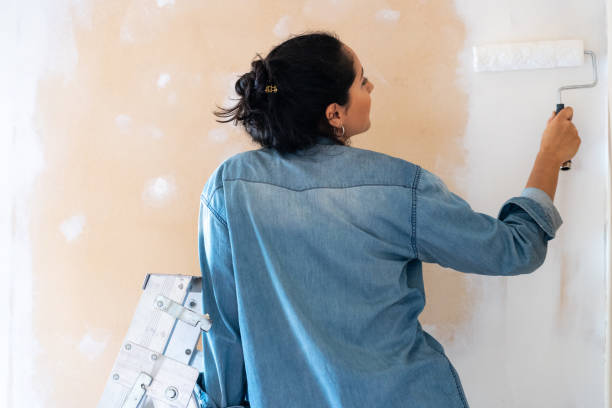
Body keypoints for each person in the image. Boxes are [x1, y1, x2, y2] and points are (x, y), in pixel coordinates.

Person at [196, 31, 580, 408]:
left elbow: (224, 331)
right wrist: (549, 156)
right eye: (362, 81)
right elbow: (514, 250)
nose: (372, 86)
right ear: (334, 113)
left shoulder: (229, 190)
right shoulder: (397, 188)